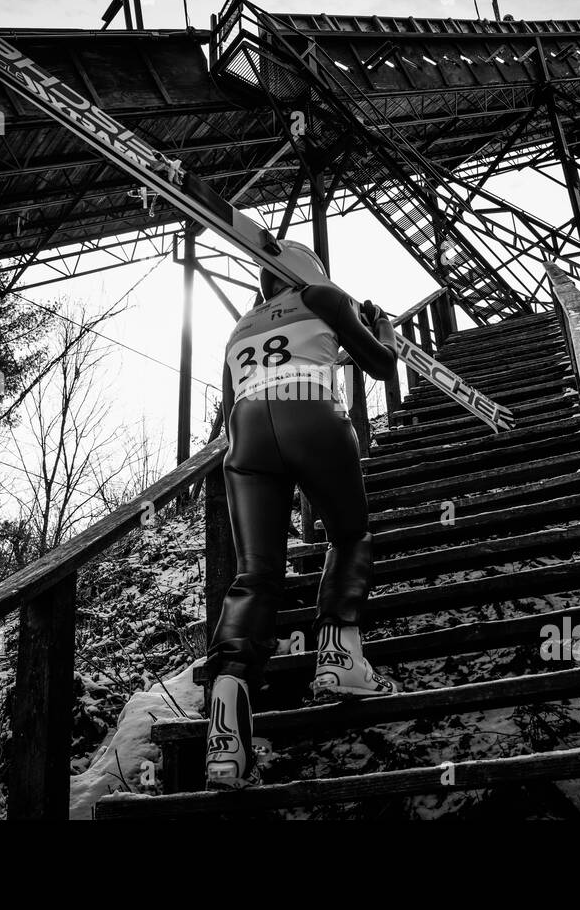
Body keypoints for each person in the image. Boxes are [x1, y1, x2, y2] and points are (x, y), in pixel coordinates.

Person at [203, 239, 402, 790]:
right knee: (350, 534)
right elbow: (382, 367)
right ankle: (339, 656)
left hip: (245, 444)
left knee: (254, 575)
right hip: (311, 414)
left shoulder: (239, 327)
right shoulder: (324, 295)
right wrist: (379, 329)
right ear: (305, 271)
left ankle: (229, 704)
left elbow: (227, 407)